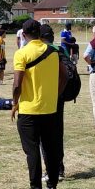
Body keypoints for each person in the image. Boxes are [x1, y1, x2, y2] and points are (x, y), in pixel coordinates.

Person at [12, 19, 67, 189]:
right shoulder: (53, 51)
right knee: (51, 148)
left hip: (29, 109)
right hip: (50, 108)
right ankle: (52, 187)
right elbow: (65, 75)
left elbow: (17, 84)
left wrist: (14, 103)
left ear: (24, 34)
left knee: (32, 150)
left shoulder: (21, 53)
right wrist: (55, 94)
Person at [39, 24, 66, 180]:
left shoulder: (43, 51)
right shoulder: (61, 50)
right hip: (59, 97)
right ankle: (59, 168)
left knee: (44, 136)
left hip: (45, 98)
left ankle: (51, 170)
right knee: (57, 133)